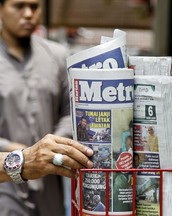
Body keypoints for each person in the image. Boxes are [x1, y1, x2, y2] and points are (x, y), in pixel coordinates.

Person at [0, 0, 73, 215]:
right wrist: (12, 147)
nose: (28, 14)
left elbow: (70, 112)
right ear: (1, 9)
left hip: (49, 181)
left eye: (34, 6)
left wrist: (53, 145)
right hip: (5, 183)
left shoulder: (57, 56)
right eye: (19, 6)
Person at [0, 134, 94, 183]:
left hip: (49, 181)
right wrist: (7, 147)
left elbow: (66, 112)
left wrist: (56, 144)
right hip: (7, 188)